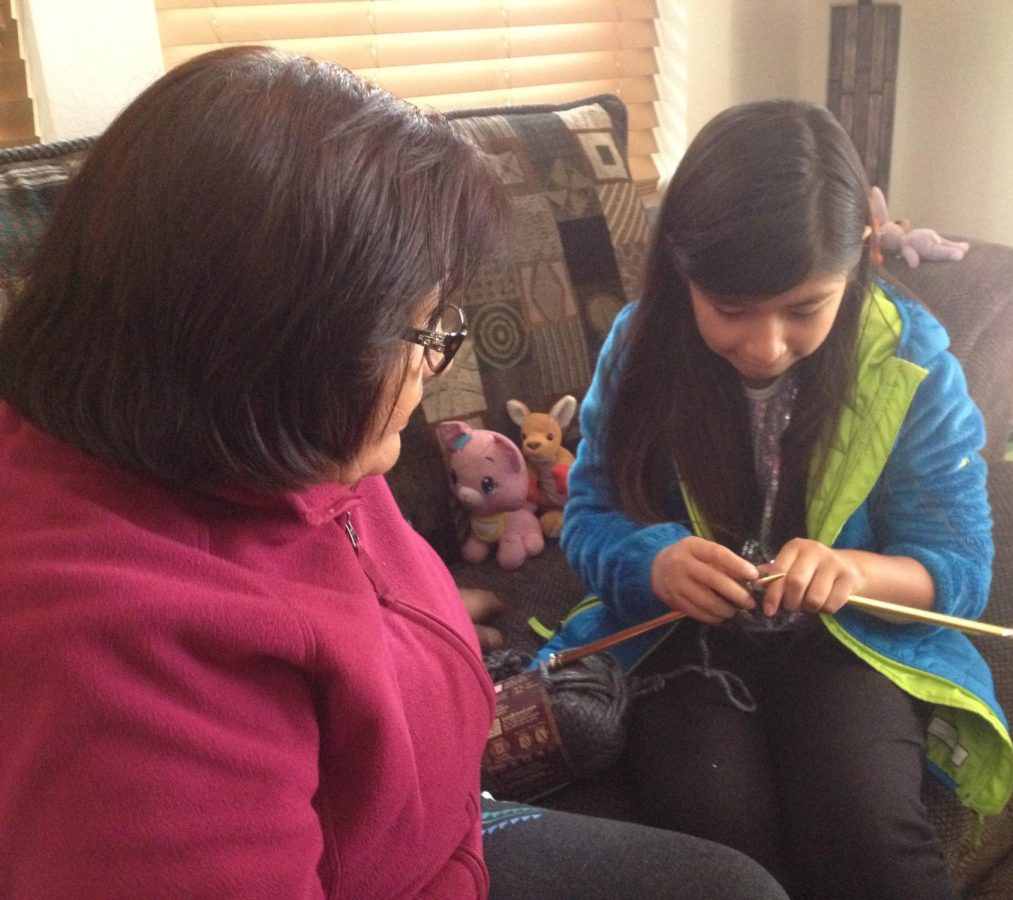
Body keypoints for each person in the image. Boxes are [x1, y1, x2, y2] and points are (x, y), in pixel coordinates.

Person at [0, 48, 790, 899]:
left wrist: (424, 624)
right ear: (282, 342)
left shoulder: (268, 433)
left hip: (438, 824)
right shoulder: (119, 670)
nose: (435, 364)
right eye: (424, 330)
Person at [551, 100, 1013, 898]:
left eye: (805, 309)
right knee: (723, 846)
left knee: (868, 837)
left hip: (851, 642)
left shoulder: (911, 361)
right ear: (680, 268)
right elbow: (589, 518)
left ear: (862, 256)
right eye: (729, 309)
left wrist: (856, 573)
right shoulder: (638, 347)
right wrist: (653, 562)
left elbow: (961, 567)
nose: (764, 347)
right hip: (682, 644)